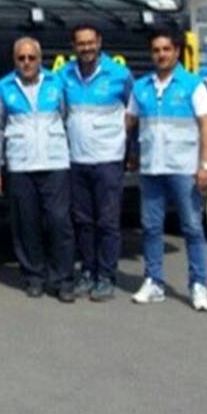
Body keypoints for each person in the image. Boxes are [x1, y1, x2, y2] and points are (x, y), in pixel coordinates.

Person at [126, 29, 207, 311]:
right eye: (156, 50)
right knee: (151, 228)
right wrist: (132, 154)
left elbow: (206, 126)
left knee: (192, 227)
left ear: (177, 52)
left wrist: (205, 165)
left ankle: (198, 285)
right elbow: (129, 123)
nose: (161, 54)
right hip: (152, 168)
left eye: (166, 49)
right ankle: (154, 282)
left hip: (184, 169)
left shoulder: (193, 85)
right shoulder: (141, 87)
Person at [0, 37, 75, 302]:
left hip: (55, 163)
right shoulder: (2, 88)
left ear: (40, 58)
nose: (26, 63)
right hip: (21, 165)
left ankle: (62, 280)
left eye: (31, 58)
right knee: (27, 224)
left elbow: (66, 117)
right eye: (21, 58)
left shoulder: (57, 83)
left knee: (59, 222)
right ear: (14, 60)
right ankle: (33, 276)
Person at [61, 25, 133, 302]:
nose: (87, 48)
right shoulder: (64, 75)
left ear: (99, 42)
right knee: (83, 221)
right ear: (73, 46)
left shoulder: (119, 75)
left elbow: (133, 112)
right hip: (76, 159)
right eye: (81, 44)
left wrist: (128, 147)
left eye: (91, 42)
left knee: (107, 222)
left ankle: (106, 276)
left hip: (108, 160)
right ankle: (88, 271)